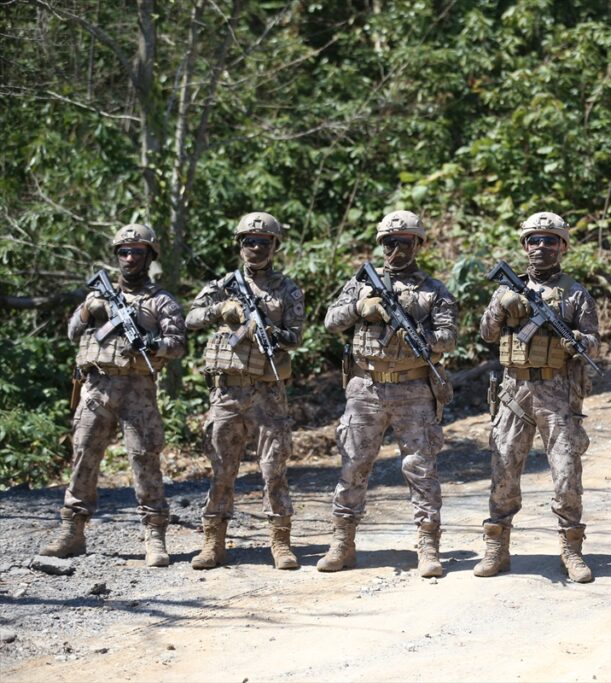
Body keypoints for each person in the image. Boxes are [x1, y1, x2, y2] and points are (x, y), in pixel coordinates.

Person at [317, 210, 457, 578]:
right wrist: (360, 307)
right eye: (390, 242)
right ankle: (342, 543)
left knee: (421, 468)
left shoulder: (433, 291)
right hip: (365, 387)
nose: (397, 249)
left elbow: (449, 337)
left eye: (405, 242)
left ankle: (428, 546)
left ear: (418, 244)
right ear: (381, 245)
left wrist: (416, 333)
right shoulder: (361, 283)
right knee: (354, 465)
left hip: (414, 389)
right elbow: (331, 322)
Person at [40, 224, 186, 567]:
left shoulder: (160, 301)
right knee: (84, 458)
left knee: (145, 459)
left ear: (150, 256)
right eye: (124, 251)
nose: (130, 258)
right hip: (96, 387)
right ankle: (72, 531)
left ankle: (154, 535)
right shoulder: (99, 297)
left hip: (138, 390)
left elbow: (178, 344)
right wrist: (89, 309)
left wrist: (152, 343)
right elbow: (73, 332)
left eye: (137, 251)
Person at [473, 211, 600, 583]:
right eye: (534, 240)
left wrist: (577, 341)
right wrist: (501, 306)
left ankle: (571, 549)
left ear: (562, 246)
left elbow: (593, 340)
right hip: (514, 392)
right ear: (524, 246)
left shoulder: (575, 293)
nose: (541, 247)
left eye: (550, 240)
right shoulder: (506, 289)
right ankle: (497, 546)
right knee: (504, 470)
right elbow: (486, 334)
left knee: (565, 473)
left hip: (558, 393)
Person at [185, 212, 305, 570]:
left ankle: (280, 543)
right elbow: (190, 318)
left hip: (268, 393)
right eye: (248, 242)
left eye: (263, 242)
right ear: (240, 245)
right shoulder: (223, 284)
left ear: (274, 246)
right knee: (222, 468)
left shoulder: (287, 289)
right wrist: (222, 309)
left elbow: (296, 337)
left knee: (273, 468)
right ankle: (213, 542)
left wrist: (267, 332)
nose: (255, 248)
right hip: (227, 393)